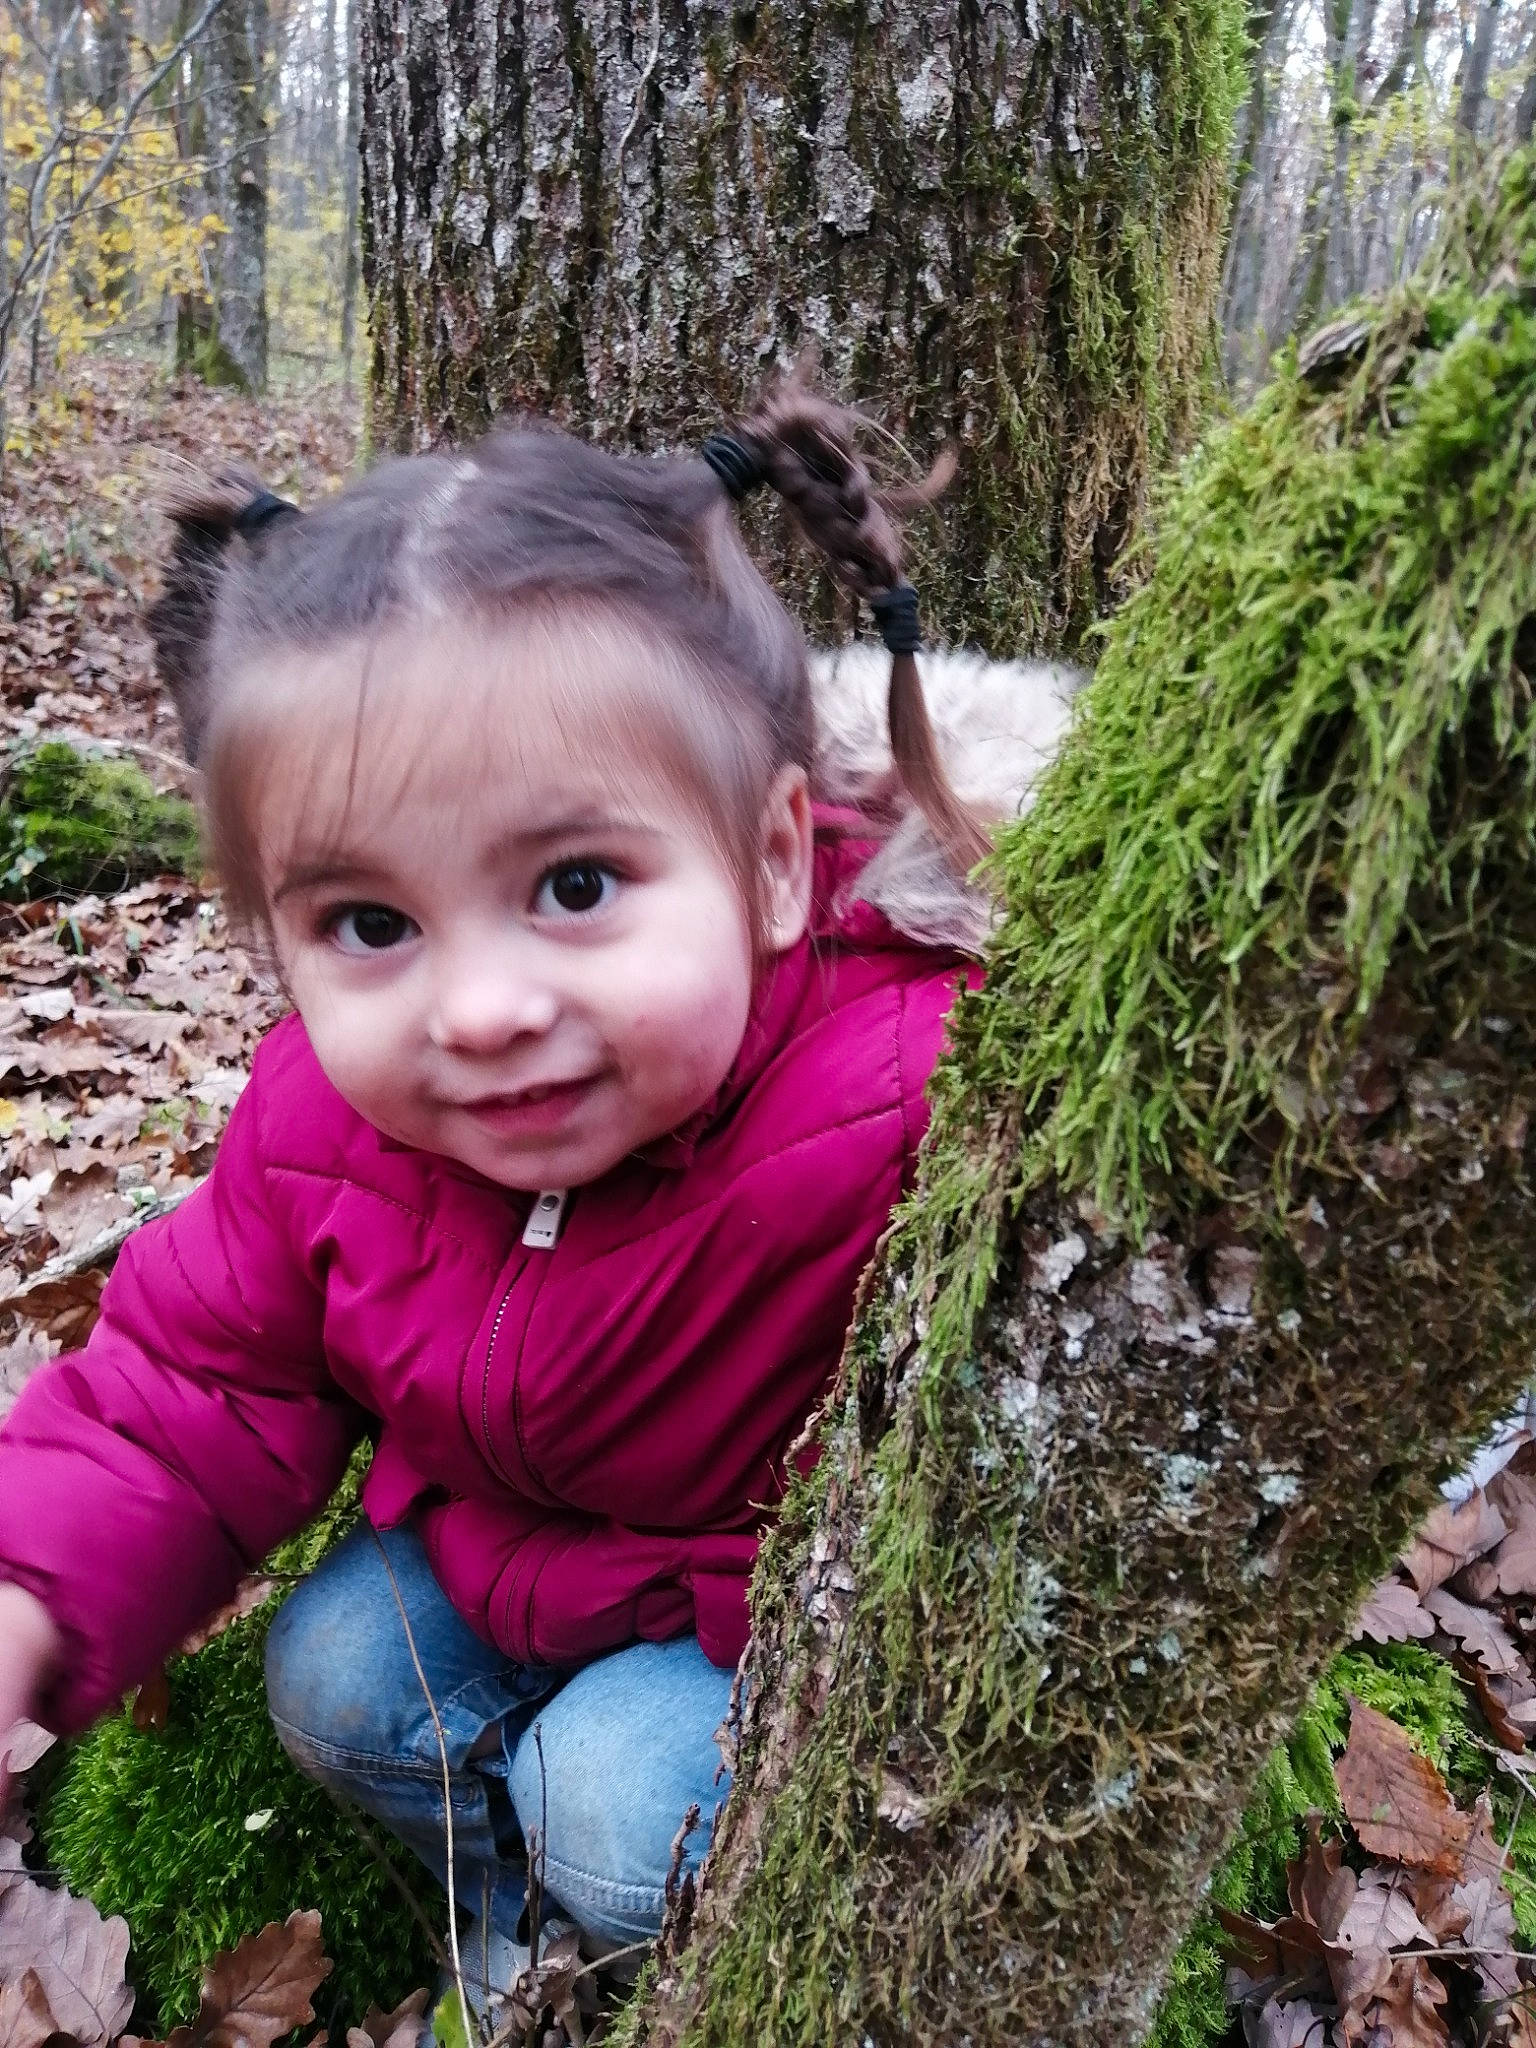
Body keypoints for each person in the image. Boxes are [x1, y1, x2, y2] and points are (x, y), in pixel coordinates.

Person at [0, 381, 1075, 2004]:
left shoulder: (920, 1082)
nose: (480, 1009)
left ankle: (661, 1950)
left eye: (574, 887)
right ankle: (513, 1931)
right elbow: (192, 1383)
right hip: (513, 1548)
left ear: (775, 863)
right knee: (334, 1675)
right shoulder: (324, 1117)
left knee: (617, 1802)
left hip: (757, 1625)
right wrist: (25, 1597)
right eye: (371, 922)